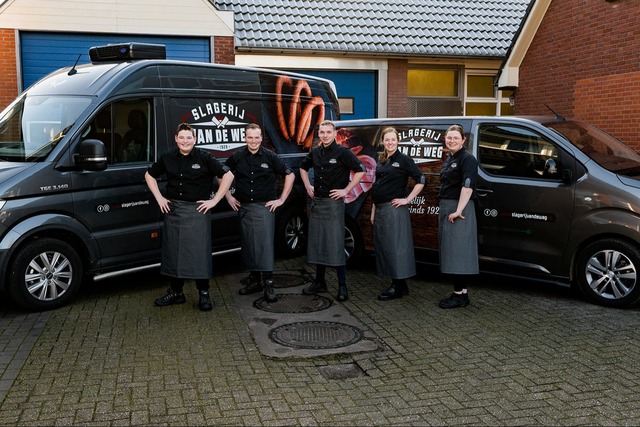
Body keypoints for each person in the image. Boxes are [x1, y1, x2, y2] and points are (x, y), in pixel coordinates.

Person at [145, 122, 234, 311]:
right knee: (173, 253)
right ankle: (176, 293)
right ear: (176, 139)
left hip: (197, 211)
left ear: (195, 139)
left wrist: (214, 200)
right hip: (174, 210)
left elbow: (228, 176)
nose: (185, 141)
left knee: (199, 254)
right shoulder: (168, 157)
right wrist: (159, 198)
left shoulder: (205, 157)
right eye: (181, 138)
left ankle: (204, 293)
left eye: (188, 138)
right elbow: (149, 175)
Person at [224, 123, 295, 302]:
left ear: (261, 138)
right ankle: (255, 281)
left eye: (256, 137)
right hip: (244, 208)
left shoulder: (270, 156)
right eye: (250, 137)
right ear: (245, 138)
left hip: (264, 207)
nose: (253, 141)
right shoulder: (237, 156)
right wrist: (228, 196)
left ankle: (269, 284)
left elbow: (290, 174)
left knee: (264, 247)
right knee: (249, 245)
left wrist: (281, 199)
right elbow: (221, 174)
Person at [299, 120, 366, 302]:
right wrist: (307, 185)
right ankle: (319, 282)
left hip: (334, 204)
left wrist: (346, 190)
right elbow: (303, 167)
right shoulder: (315, 152)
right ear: (319, 134)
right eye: (322, 132)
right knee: (318, 244)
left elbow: (361, 170)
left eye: (328, 132)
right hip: (318, 203)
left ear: (335, 133)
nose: (325, 135)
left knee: (335, 244)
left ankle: (342, 286)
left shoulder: (343, 152)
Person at [370, 127, 425, 301]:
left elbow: (421, 179)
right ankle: (401, 285)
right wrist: (373, 210)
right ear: (383, 141)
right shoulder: (382, 159)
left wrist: (407, 200)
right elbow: (377, 185)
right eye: (387, 139)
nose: (390, 142)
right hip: (380, 209)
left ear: (398, 141)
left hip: (394, 210)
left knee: (395, 248)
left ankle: (397, 286)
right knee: (385, 247)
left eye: (393, 139)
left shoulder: (404, 159)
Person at [437, 124, 479, 309]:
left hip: (459, 208)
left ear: (463, 140)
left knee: (458, 253)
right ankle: (462, 294)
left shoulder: (467, 159)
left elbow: (467, 186)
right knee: (455, 252)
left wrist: (459, 210)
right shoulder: (450, 157)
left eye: (455, 137)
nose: (452, 140)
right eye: (449, 137)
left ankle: (459, 295)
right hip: (449, 207)